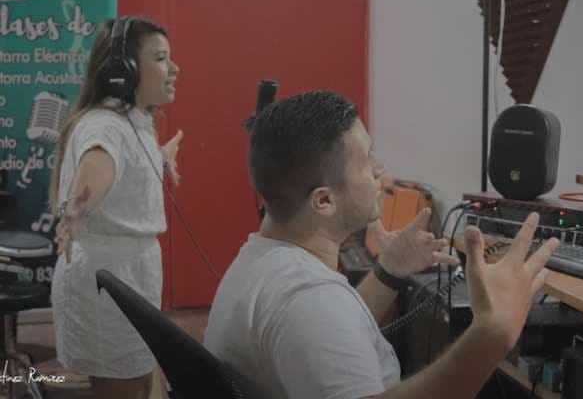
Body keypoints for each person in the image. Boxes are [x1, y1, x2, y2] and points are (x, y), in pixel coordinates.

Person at [204, 90, 559, 399]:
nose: (380, 168)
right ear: (324, 201)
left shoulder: (261, 260)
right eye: (366, 160)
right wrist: (492, 333)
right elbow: (320, 317)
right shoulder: (310, 300)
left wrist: (388, 271)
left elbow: (333, 334)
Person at [49, 16, 181, 399]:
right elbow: (98, 163)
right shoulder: (105, 126)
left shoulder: (131, 122)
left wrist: (159, 157)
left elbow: (120, 160)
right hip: (106, 283)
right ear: (124, 71)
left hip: (128, 276)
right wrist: (77, 207)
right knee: (124, 387)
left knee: (143, 379)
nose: (174, 68)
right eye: (161, 58)